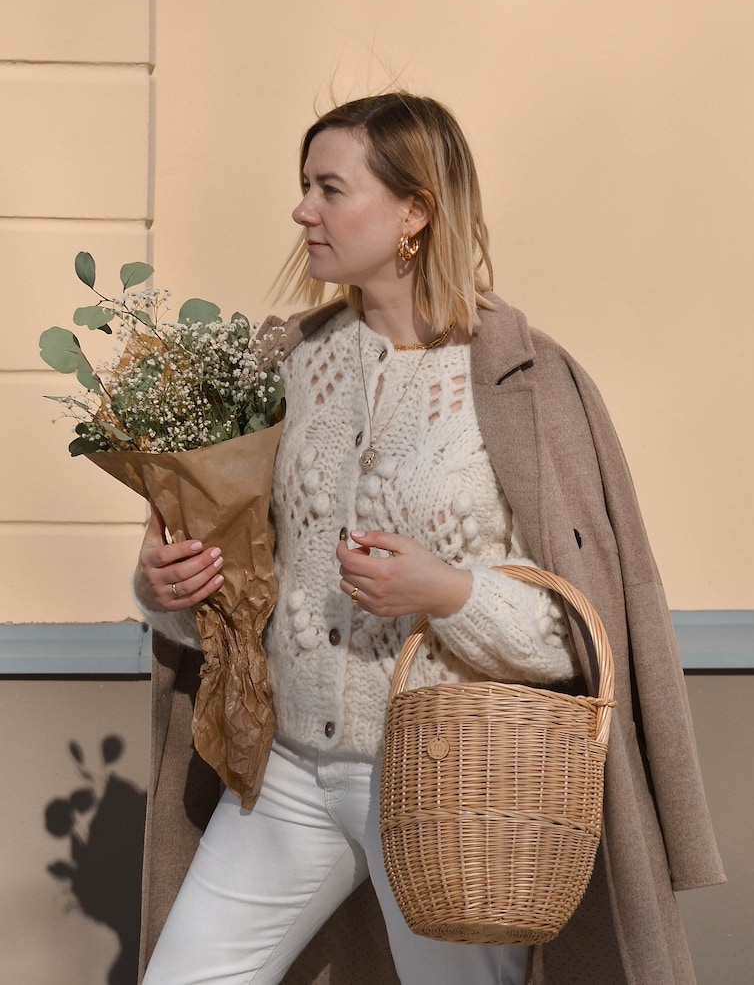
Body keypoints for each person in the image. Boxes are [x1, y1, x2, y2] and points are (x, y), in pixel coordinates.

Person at [134, 93, 724, 985]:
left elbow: (578, 630)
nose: (303, 212)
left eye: (330, 189)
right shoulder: (280, 363)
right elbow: (244, 587)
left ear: (415, 210)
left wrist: (449, 593)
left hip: (446, 779)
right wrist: (168, 589)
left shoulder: (525, 381)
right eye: (303, 187)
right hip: (287, 772)